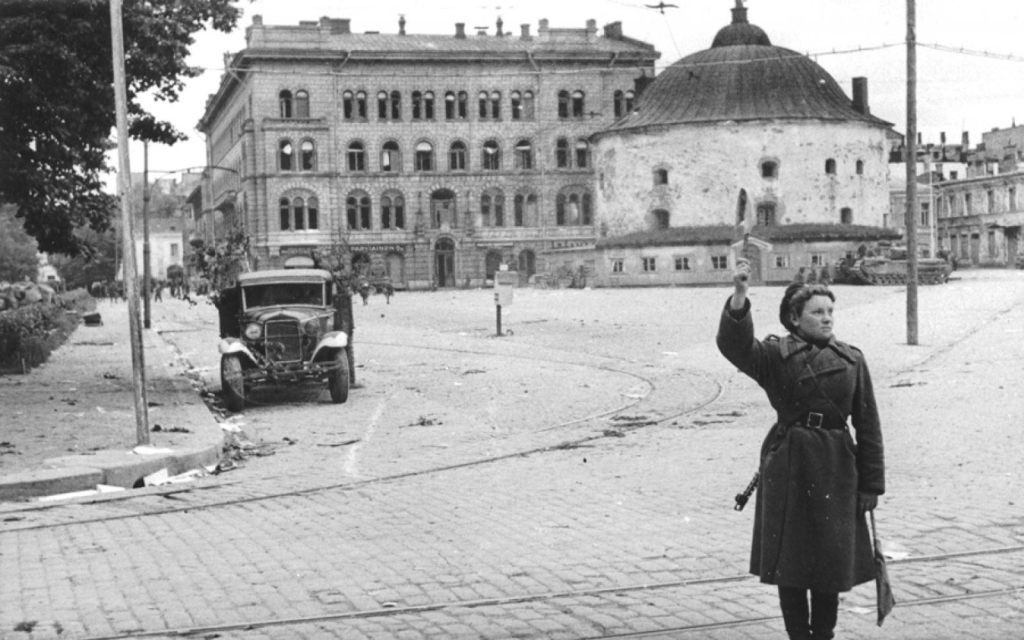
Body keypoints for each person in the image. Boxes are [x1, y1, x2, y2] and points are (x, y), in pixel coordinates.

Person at [716, 258, 885, 640]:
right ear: (794, 318)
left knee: (829, 560)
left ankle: (822, 634)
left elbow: (869, 425)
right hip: (788, 465)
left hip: (837, 468)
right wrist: (741, 293)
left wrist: (871, 486)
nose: (827, 319)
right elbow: (734, 345)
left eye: (830, 311)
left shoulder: (852, 360)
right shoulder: (774, 357)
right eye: (817, 312)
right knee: (790, 563)